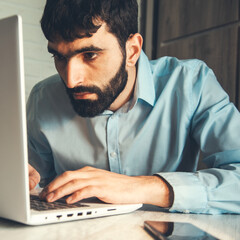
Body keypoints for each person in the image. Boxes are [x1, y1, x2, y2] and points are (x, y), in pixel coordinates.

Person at [26, 0, 240, 214]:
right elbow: (34, 187)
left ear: (132, 50)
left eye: (90, 55)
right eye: (59, 57)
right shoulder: (42, 99)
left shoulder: (192, 84)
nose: (71, 80)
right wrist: (20, 182)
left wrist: (143, 187)